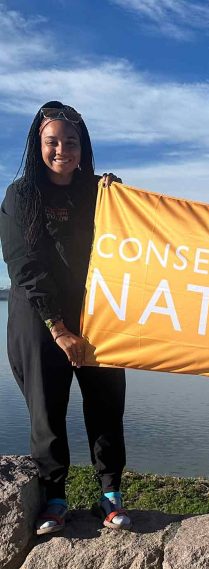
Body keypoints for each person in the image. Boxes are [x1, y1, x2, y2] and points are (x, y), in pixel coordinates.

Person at [0, 101, 131, 534]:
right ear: (38, 144)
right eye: (52, 141)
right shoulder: (21, 195)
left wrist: (122, 197)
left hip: (98, 318)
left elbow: (135, 244)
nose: (62, 150)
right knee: (48, 412)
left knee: (107, 405)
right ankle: (54, 497)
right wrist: (58, 329)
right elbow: (24, 266)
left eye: (70, 142)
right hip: (38, 322)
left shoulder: (100, 191)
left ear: (83, 146)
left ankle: (109, 494)